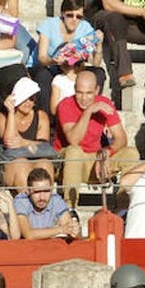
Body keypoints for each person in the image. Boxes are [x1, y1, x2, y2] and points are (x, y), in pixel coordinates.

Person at [52, 70, 139, 209]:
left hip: (95, 160)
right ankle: (70, 207)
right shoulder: (65, 105)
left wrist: (106, 152)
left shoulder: (105, 104)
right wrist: (88, 112)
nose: (84, 98)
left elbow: (121, 138)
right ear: (74, 89)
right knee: (74, 151)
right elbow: (73, 140)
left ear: (97, 90)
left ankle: (123, 207)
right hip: (69, 163)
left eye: (89, 93)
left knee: (131, 154)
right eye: (80, 92)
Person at [34, 0, 105, 114]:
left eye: (79, 16)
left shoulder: (85, 28)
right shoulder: (49, 25)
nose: (74, 19)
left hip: (74, 68)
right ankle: (48, 120)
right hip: (51, 66)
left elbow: (95, 63)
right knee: (42, 75)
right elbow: (41, 57)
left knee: (98, 73)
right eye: (70, 15)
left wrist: (99, 45)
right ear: (62, 13)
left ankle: (90, 114)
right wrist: (52, 61)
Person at [0, 77, 57, 194]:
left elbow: (44, 146)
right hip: (13, 163)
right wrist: (11, 112)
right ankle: (25, 207)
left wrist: (24, 143)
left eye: (32, 99)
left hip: (36, 159)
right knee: (21, 165)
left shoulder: (41, 116)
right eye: (24, 98)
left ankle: (46, 205)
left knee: (45, 164)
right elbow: (10, 142)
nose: (29, 103)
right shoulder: (3, 117)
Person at [13, 167, 79, 240]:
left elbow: (70, 228)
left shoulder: (56, 200)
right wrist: (61, 230)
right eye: (37, 192)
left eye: (46, 191)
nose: (42, 197)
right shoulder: (21, 201)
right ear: (28, 191)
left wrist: (74, 230)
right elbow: (29, 234)